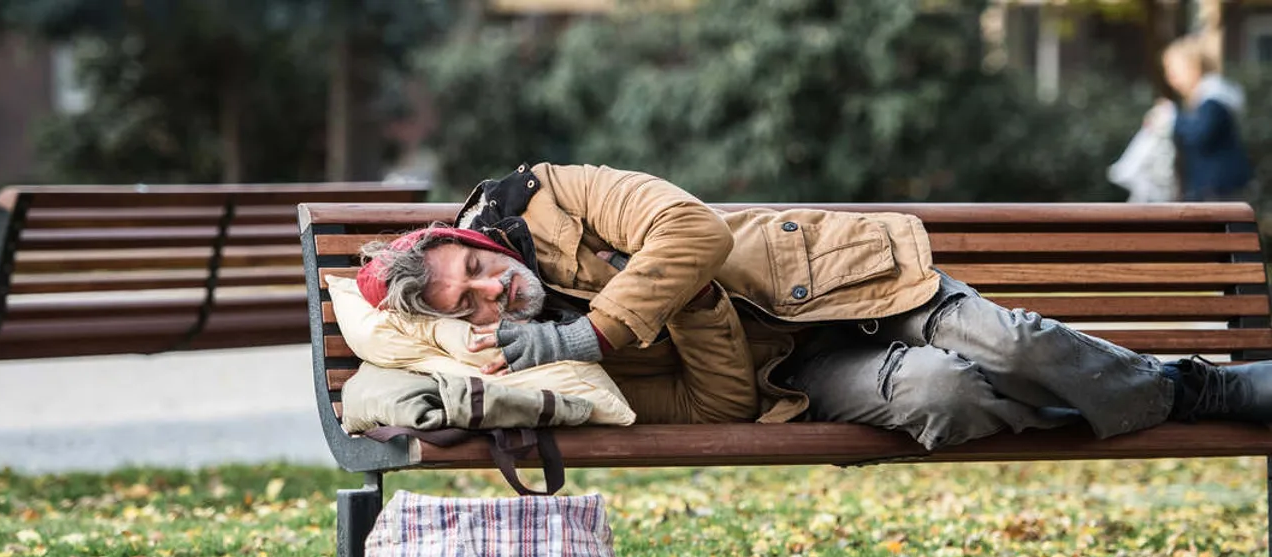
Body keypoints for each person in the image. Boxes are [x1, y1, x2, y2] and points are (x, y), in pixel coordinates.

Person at [356, 162, 1272, 449]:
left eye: (470, 267)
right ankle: (1154, 396)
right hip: (802, 369)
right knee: (942, 399)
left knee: (1008, 342)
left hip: (837, 281)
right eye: (466, 303)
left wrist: (592, 326)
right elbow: (717, 405)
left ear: (470, 240)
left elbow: (689, 228)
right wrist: (678, 310)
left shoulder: (551, 191)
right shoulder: (541, 363)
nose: (487, 289)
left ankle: (1191, 389)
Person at [1155, 34, 1253, 201]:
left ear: (1194, 67)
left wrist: (1172, 118)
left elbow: (1200, 136)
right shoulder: (1207, 98)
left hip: (1219, 189)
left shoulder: (1214, 100)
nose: (1170, 79)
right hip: (1214, 188)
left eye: (1174, 70)